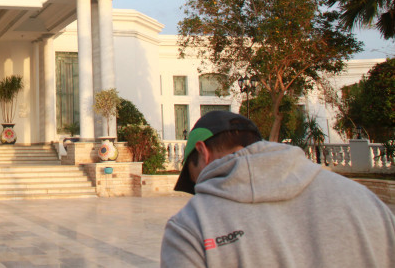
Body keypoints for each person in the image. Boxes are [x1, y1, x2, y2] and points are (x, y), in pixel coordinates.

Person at [160, 110, 395, 267]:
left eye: (195, 179)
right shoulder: (367, 202)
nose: (200, 190)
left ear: (202, 152)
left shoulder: (192, 227)